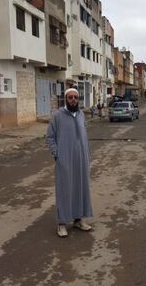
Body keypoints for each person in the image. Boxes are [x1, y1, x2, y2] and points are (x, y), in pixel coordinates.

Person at [46, 88, 93, 237]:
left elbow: (84, 135)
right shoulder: (57, 116)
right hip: (65, 161)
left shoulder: (81, 115)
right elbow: (49, 138)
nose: (73, 99)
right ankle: (61, 223)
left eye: (75, 97)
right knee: (64, 191)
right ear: (65, 99)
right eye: (70, 97)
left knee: (80, 189)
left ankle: (78, 220)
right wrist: (57, 154)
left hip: (81, 160)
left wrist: (86, 154)